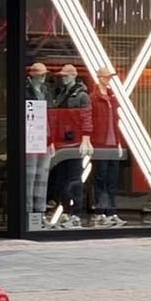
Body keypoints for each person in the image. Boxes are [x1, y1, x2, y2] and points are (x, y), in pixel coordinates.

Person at [48, 64, 93, 227]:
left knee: (74, 179)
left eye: (66, 75)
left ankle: (76, 213)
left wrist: (85, 138)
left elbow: (86, 117)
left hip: (74, 143)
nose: (63, 78)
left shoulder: (81, 96)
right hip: (61, 143)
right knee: (61, 179)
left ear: (74, 75)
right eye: (62, 76)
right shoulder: (60, 94)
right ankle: (66, 210)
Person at [89, 80, 126, 227]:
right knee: (100, 179)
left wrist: (118, 144)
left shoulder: (112, 98)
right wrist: (91, 140)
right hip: (100, 143)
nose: (108, 80)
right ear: (99, 78)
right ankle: (100, 212)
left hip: (112, 144)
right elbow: (91, 120)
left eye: (109, 77)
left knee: (112, 180)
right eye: (106, 76)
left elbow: (116, 121)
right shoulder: (93, 98)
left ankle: (111, 212)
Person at [25, 61, 57, 223]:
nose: (43, 78)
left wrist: (51, 140)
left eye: (44, 75)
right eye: (40, 75)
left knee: (42, 177)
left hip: (44, 138)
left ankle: (40, 212)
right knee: (29, 177)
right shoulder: (24, 91)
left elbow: (50, 117)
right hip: (30, 138)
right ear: (33, 75)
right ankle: (29, 212)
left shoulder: (45, 91)